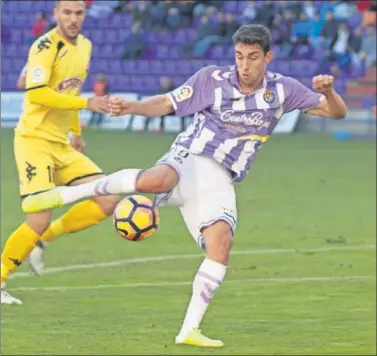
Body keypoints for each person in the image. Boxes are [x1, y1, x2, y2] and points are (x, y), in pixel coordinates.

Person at [21, 24, 347, 347]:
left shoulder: (283, 90)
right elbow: (167, 103)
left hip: (220, 179)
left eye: (252, 57)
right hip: (190, 157)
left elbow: (337, 113)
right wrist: (132, 107)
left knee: (221, 246)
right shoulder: (212, 80)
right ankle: (67, 193)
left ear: (268, 57)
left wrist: (329, 91)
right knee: (155, 179)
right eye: (239, 57)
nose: (244, 66)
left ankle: (189, 330)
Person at [0, 0, 119, 305]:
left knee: (107, 200)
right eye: (66, 12)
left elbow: (70, 92)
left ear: (84, 15)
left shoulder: (86, 46)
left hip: (61, 144)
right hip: (34, 140)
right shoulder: (45, 46)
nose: (73, 18)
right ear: (56, 14)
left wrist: (75, 134)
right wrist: (87, 105)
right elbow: (36, 92)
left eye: (78, 13)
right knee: (37, 216)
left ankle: (44, 239)